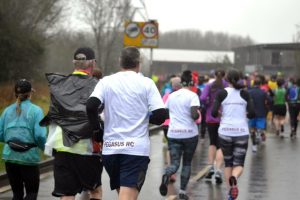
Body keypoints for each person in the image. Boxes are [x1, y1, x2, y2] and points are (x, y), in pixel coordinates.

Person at [86, 46, 168, 200]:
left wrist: (97, 131)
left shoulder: (106, 82)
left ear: (120, 62)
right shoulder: (146, 83)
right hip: (135, 150)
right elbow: (161, 115)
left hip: (111, 150)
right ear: (139, 63)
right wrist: (144, 117)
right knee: (127, 196)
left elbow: (91, 106)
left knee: (125, 195)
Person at [40, 47, 103, 200]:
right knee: (95, 190)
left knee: (67, 193)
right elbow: (100, 113)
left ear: (74, 63)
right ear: (93, 63)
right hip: (86, 148)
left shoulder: (59, 84)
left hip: (61, 146)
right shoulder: (97, 85)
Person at [211, 69, 255, 200]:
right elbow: (252, 113)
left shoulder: (221, 93)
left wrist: (221, 114)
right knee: (239, 163)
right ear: (240, 79)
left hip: (225, 132)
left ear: (227, 80)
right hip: (241, 132)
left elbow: (213, 113)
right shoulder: (245, 93)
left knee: (228, 163)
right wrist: (244, 115)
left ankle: (231, 193)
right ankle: (234, 178)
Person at [0, 79, 47, 200]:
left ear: (16, 94)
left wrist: (13, 142)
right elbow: (40, 136)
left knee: (17, 194)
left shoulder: (6, 111)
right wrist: (44, 148)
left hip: (9, 156)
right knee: (31, 194)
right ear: (30, 93)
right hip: (28, 158)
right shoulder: (36, 111)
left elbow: (0, 134)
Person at [159, 70, 201, 200]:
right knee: (187, 163)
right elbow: (194, 115)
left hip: (174, 133)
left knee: (175, 164)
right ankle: (182, 192)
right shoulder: (193, 96)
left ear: (182, 82)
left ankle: (167, 175)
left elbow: (165, 113)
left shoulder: (172, 96)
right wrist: (198, 114)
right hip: (190, 134)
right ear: (191, 82)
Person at [200, 69, 227, 184]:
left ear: (214, 75)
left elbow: (202, 98)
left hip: (211, 117)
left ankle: (211, 166)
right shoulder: (227, 86)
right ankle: (218, 169)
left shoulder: (209, 86)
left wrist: (208, 104)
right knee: (221, 144)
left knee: (212, 142)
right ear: (224, 75)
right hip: (224, 118)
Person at [248, 76, 272, 152]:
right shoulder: (263, 92)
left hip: (251, 113)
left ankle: (254, 146)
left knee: (252, 130)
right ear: (260, 84)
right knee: (260, 127)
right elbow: (270, 100)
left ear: (253, 84)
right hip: (261, 113)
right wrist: (266, 106)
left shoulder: (249, 92)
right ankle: (259, 133)